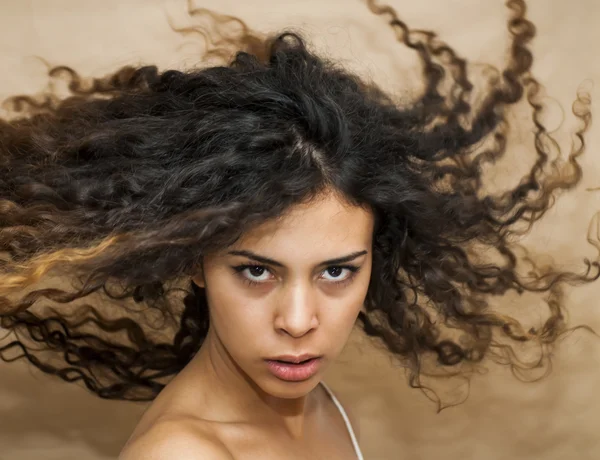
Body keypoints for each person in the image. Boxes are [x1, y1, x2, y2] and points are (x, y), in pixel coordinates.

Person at [0, 0, 597, 458]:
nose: (298, 320)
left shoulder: (316, 399)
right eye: (256, 270)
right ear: (192, 259)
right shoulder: (185, 452)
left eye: (337, 271)